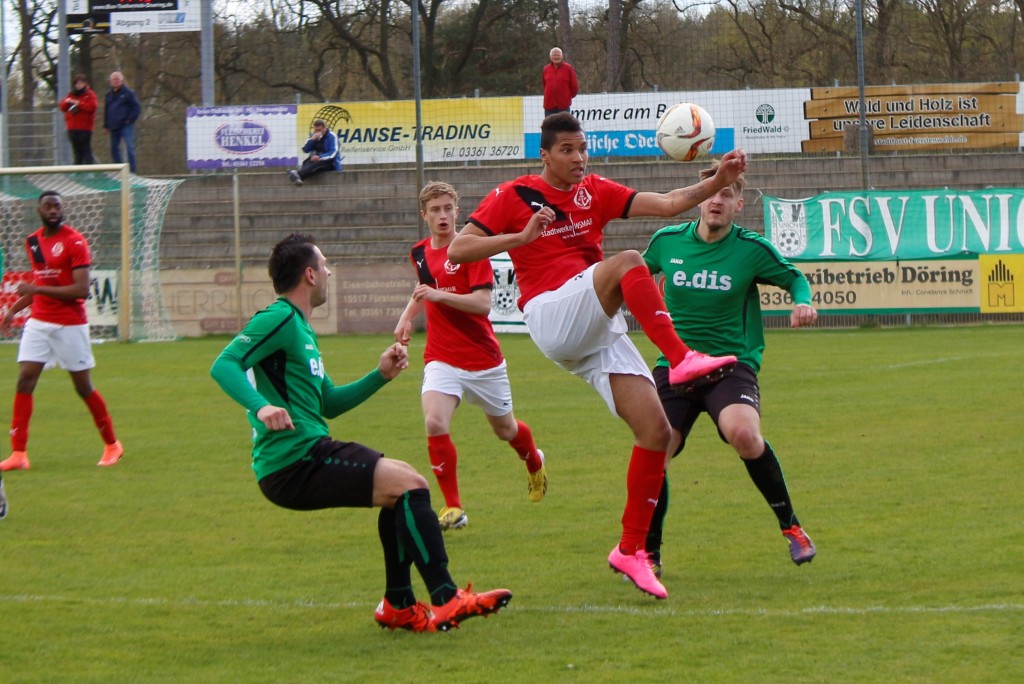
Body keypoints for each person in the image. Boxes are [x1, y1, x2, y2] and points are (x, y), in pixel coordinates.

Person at [448, 112, 745, 600]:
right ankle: (679, 356)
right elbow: (459, 250)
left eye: (581, 148)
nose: (578, 157)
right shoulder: (514, 195)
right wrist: (521, 239)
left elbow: (670, 202)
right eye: (567, 149)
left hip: (594, 327)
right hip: (551, 314)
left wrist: (719, 179)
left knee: (657, 432)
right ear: (544, 155)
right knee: (629, 261)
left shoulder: (595, 191)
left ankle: (631, 550)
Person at [210, 233, 512, 633]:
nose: (330, 270)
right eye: (325, 263)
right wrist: (261, 406)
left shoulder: (299, 328)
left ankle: (399, 606)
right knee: (410, 484)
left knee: (400, 489)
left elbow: (328, 403)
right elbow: (225, 363)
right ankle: (445, 597)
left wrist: (380, 375)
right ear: (310, 275)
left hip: (303, 453)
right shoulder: (279, 317)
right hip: (293, 460)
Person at [641, 161, 817, 575]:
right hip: (676, 364)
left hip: (730, 366)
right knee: (654, 452)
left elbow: (794, 279)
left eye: (726, 194)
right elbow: (633, 273)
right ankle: (648, 553)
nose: (716, 200)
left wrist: (803, 301)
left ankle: (791, 527)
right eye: (710, 192)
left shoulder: (750, 249)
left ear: (739, 204)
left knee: (744, 434)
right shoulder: (667, 242)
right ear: (698, 197)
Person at [394, 182, 547, 531]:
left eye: (448, 208)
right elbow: (424, 290)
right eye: (435, 210)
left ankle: (534, 463)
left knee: (506, 430)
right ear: (425, 215)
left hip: (483, 360)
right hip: (441, 357)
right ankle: (454, 507)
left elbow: (482, 304)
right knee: (434, 422)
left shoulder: (470, 251)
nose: (443, 215)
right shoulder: (419, 253)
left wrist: (438, 297)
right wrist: (406, 316)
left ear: (457, 210)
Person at [0, 191, 124, 472]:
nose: (53, 210)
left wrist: (37, 290)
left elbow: (80, 290)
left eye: (57, 206)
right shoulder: (32, 242)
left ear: (62, 209)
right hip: (39, 322)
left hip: (70, 324)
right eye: (48, 206)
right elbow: (39, 283)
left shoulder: (75, 241)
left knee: (83, 386)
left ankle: (112, 445)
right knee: (25, 380)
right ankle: (19, 453)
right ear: (39, 210)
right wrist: (14, 309)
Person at [103, 71, 141, 173]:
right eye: (113, 79)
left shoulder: (128, 93)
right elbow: (107, 110)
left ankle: (132, 171)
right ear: (110, 81)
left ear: (122, 81)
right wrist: (106, 125)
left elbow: (136, 107)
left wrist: (130, 119)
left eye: (117, 79)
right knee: (114, 149)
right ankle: (119, 171)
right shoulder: (108, 95)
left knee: (130, 147)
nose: (115, 81)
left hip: (126, 125)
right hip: (113, 126)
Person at [287, 119, 342, 186]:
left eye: (319, 130)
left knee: (318, 164)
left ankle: (297, 174)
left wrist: (320, 157)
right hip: (317, 159)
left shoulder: (332, 136)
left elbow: (333, 153)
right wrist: (312, 140)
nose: (317, 132)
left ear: (325, 128)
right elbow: (305, 149)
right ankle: (299, 178)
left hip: (330, 162)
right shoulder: (314, 136)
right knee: (308, 162)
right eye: (315, 130)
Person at [59, 74, 98, 165]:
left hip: (85, 128)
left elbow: (92, 107)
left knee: (86, 150)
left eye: (81, 83)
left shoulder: (90, 94)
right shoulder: (71, 94)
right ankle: (78, 173)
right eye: (77, 83)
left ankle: (90, 171)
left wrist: (79, 103)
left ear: (85, 84)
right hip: (72, 127)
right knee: (76, 152)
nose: (78, 85)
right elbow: (62, 107)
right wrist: (67, 102)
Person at [542, 47, 578, 117]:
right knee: (550, 127)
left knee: (564, 127)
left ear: (562, 56)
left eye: (558, 55)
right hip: (549, 106)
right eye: (554, 55)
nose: (556, 57)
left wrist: (566, 97)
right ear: (550, 57)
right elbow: (544, 85)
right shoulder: (546, 69)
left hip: (564, 107)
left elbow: (574, 87)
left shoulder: (568, 68)